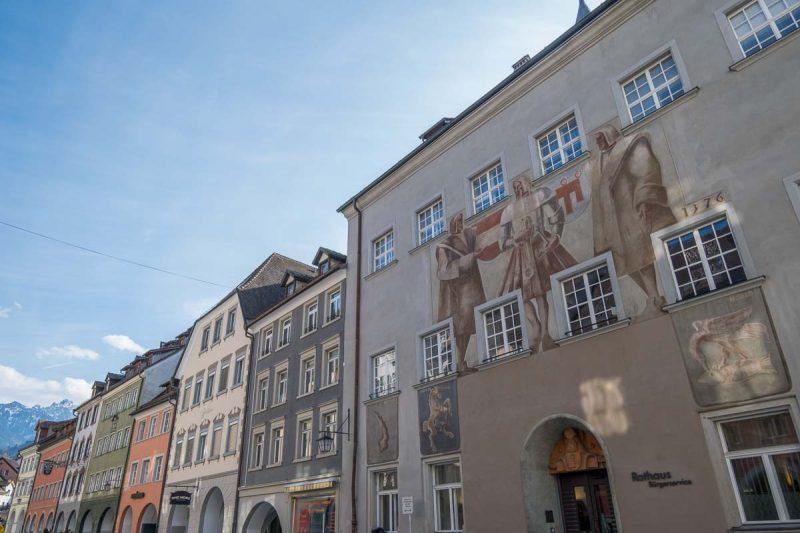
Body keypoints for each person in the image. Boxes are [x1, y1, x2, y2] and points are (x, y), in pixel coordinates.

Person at [589, 125, 677, 313]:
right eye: (597, 140)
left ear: (610, 134)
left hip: (629, 208)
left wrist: (645, 199)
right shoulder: (597, 161)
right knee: (622, 260)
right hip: (610, 219)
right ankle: (652, 296)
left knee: (639, 252)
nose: (599, 142)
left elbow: (646, 168)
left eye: (601, 138)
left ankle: (654, 295)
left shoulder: (631, 144)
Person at [499, 177, 576, 351]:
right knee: (522, 295)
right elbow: (502, 241)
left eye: (521, 185)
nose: (519, 189)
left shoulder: (539, 195)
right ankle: (535, 325)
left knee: (540, 293)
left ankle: (545, 334)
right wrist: (516, 238)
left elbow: (557, 216)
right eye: (515, 187)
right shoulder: (509, 210)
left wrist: (555, 237)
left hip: (539, 246)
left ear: (527, 183)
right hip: (520, 253)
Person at [436, 213, 486, 370]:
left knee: (470, 325)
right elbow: (443, 272)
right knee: (461, 326)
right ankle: (459, 363)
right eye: (457, 221)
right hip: (459, 292)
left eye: (461, 221)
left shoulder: (469, 236)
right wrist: (467, 259)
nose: (460, 224)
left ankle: (461, 362)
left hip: (473, 289)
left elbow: (482, 232)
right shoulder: (445, 245)